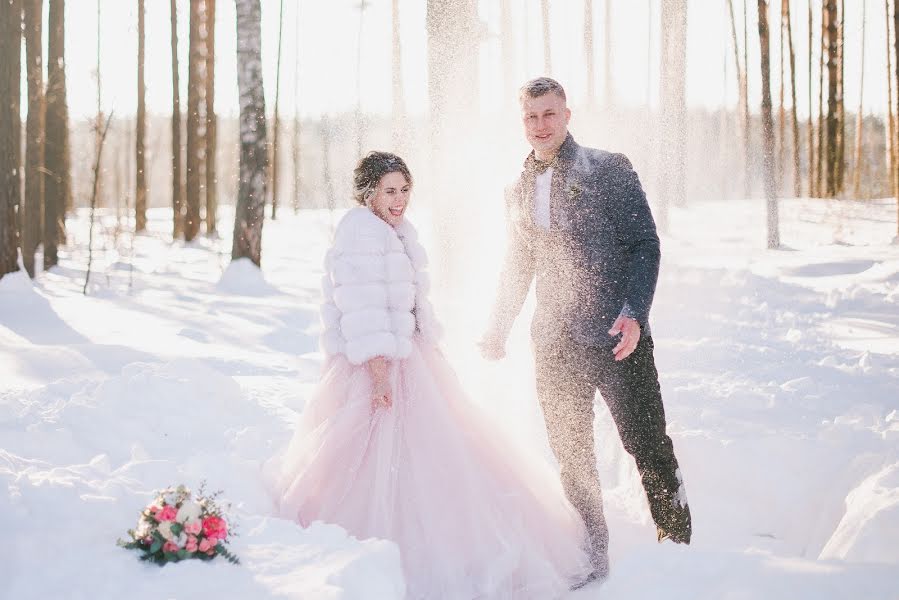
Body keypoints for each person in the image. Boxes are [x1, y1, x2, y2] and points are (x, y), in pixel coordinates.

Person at [272, 151, 593, 599]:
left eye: (405, 190)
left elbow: (408, 302)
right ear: (368, 193)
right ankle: (376, 557)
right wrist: (380, 374)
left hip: (412, 357)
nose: (399, 199)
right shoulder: (361, 233)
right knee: (377, 461)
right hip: (377, 363)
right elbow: (363, 309)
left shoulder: (396, 230)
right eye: (389, 191)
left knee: (445, 454)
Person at [479, 77, 693, 584]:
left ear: (567, 115)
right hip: (553, 345)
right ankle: (592, 562)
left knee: (648, 447)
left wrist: (634, 312)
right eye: (531, 117)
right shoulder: (517, 188)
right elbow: (517, 264)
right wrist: (498, 326)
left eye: (549, 114)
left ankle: (680, 554)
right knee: (572, 458)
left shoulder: (611, 169)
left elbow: (645, 245)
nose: (540, 125)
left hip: (619, 338)